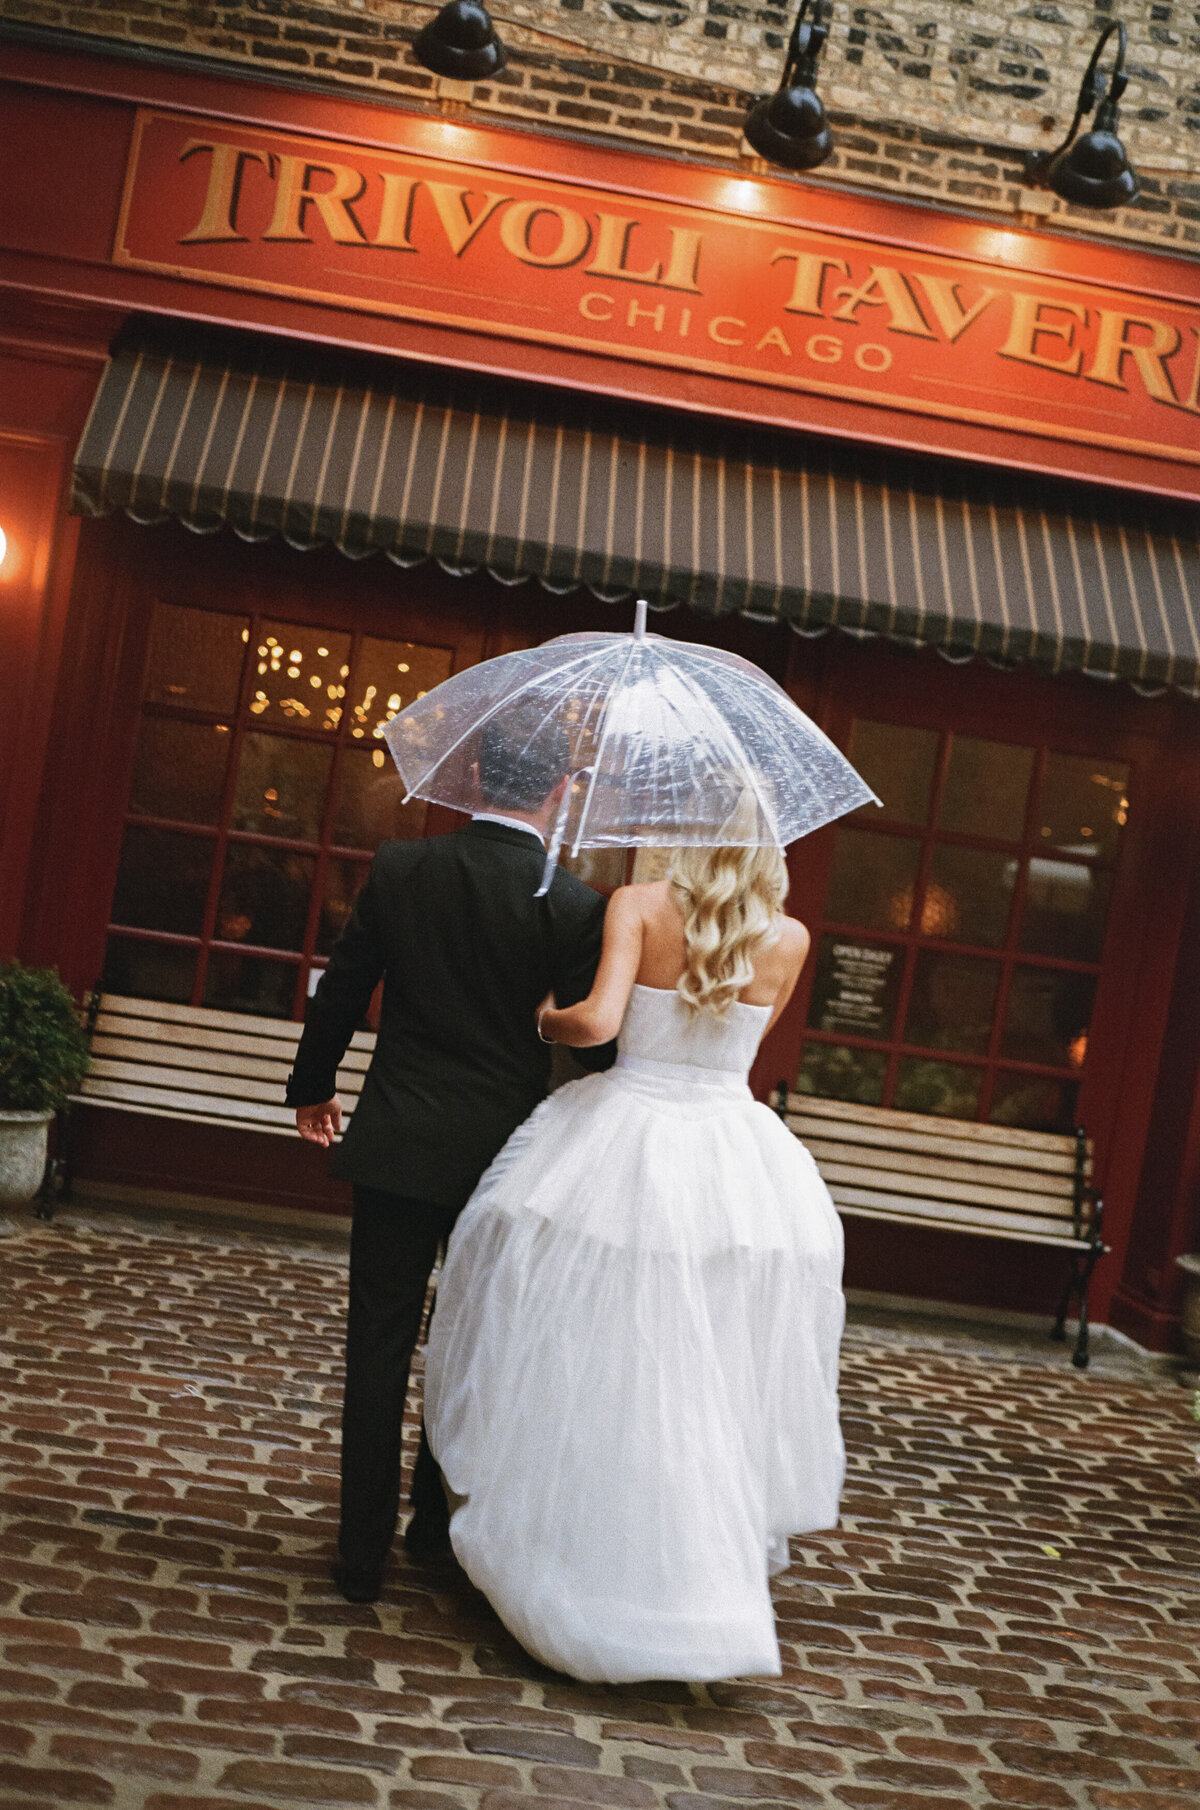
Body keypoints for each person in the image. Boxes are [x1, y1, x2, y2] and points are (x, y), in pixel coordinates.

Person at [424, 842, 846, 1682]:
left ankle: (581, 1547)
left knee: (600, 1344)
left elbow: (599, 1025)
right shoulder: (791, 939)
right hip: (736, 1165)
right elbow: (743, 1047)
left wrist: (547, 1013)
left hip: (625, 1141)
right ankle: (697, 1582)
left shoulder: (640, 905)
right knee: (707, 1372)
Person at [286, 705, 613, 1603]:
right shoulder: (575, 904)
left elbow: (344, 987)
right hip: (502, 1159)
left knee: (378, 1347)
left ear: (475, 782)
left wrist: (312, 1085)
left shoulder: (405, 867)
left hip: (397, 1142)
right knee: (466, 1340)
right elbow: (593, 1049)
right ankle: (432, 1528)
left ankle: (360, 1556)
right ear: (556, 789)